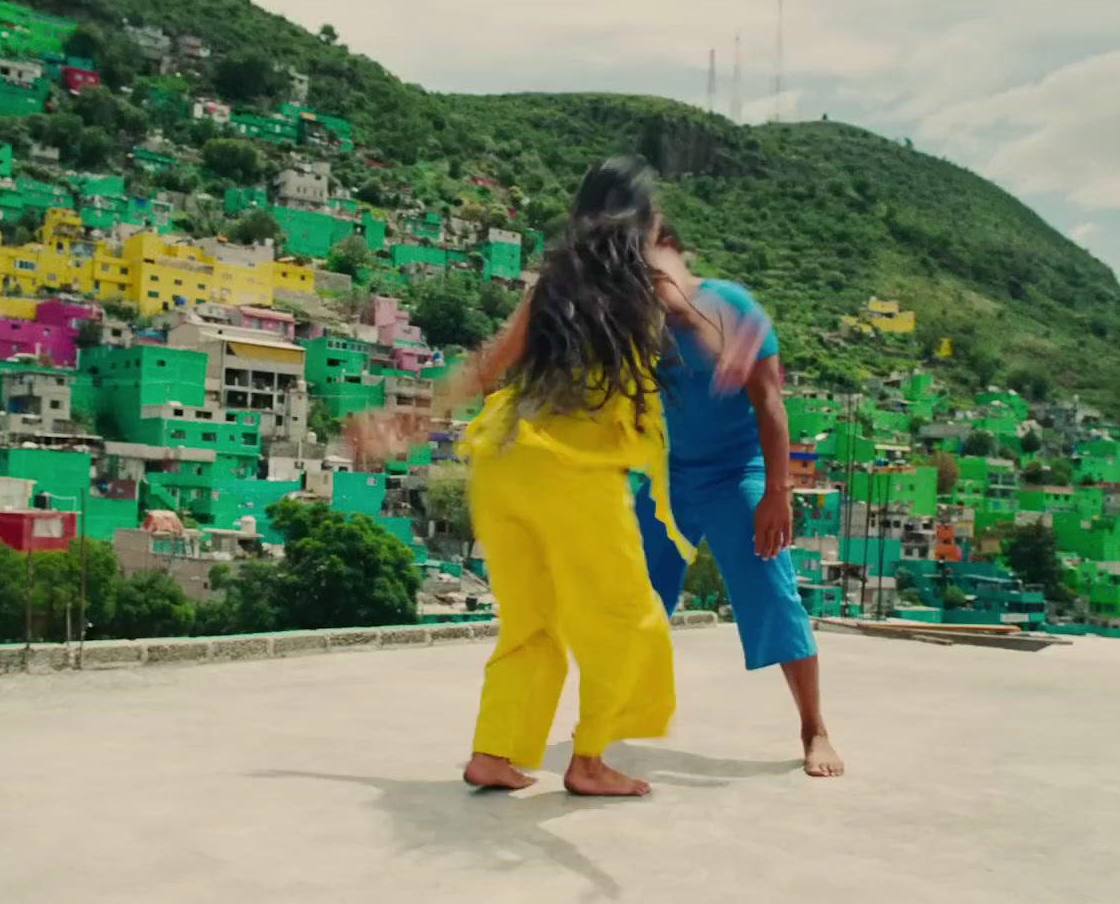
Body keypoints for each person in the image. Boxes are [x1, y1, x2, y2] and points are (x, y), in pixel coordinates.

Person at [350, 156, 759, 796]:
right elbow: (719, 336)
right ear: (643, 220)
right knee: (629, 620)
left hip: (503, 460)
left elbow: (486, 369)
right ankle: (589, 760)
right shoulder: (648, 285)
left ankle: (494, 753)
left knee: (531, 622)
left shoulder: (552, 286)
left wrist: (402, 424)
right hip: (575, 474)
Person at [635, 219, 844, 777]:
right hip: (668, 478)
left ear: (677, 254)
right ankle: (612, 717)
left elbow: (771, 405)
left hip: (738, 473)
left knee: (772, 596)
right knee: (634, 596)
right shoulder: (645, 323)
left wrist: (777, 492)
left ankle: (813, 728)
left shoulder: (732, 306)